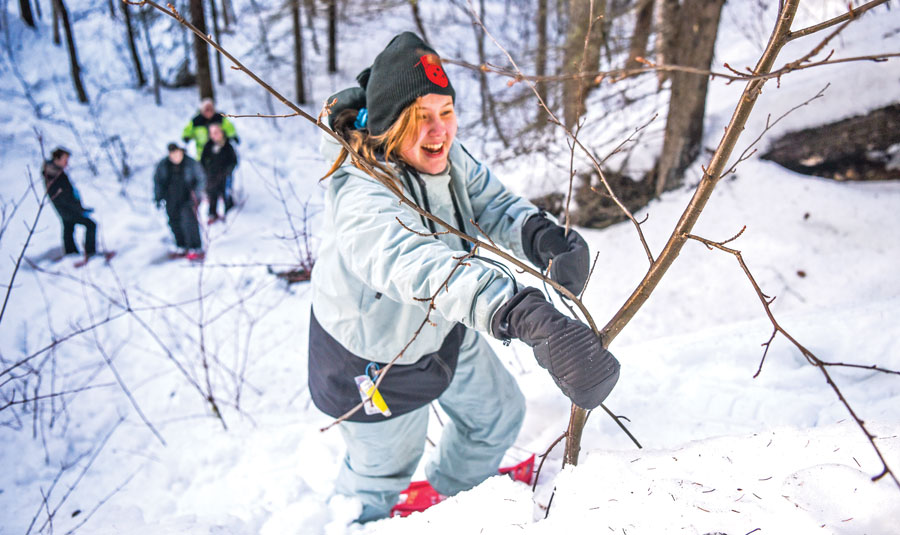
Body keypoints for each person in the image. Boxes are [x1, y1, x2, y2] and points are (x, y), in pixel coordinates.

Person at [308, 32, 620, 524]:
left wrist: (542, 237)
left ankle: (454, 503)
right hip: (376, 358)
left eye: (446, 112)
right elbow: (421, 266)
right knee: (382, 475)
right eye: (421, 117)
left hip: (443, 326)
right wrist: (522, 313)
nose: (439, 131)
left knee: (496, 418)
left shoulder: (444, 156)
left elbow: (490, 203)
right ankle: (358, 523)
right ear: (390, 124)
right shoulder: (362, 196)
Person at [42, 147, 97, 259]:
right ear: (57, 159)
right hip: (67, 209)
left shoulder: (54, 172)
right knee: (91, 225)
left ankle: (71, 253)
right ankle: (90, 253)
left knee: (68, 228)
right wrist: (80, 209)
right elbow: (65, 197)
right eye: (65, 159)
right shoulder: (54, 175)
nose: (67, 163)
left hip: (65, 209)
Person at [153, 143, 205, 260]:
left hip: (187, 197)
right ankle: (181, 245)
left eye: (177, 154)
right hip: (171, 197)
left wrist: (196, 195)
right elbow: (158, 182)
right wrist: (158, 197)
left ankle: (195, 247)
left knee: (189, 221)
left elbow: (201, 179)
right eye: (173, 154)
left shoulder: (191, 163)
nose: (176, 157)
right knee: (174, 221)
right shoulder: (163, 165)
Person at [200, 123, 238, 223]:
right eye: (212, 133)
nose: (214, 135)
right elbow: (202, 160)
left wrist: (228, 170)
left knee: (226, 194)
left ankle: (229, 213)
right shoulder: (208, 145)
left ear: (221, 132)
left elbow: (234, 161)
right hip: (211, 176)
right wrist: (205, 170)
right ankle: (212, 214)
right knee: (212, 195)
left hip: (225, 176)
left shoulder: (227, 146)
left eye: (216, 132)